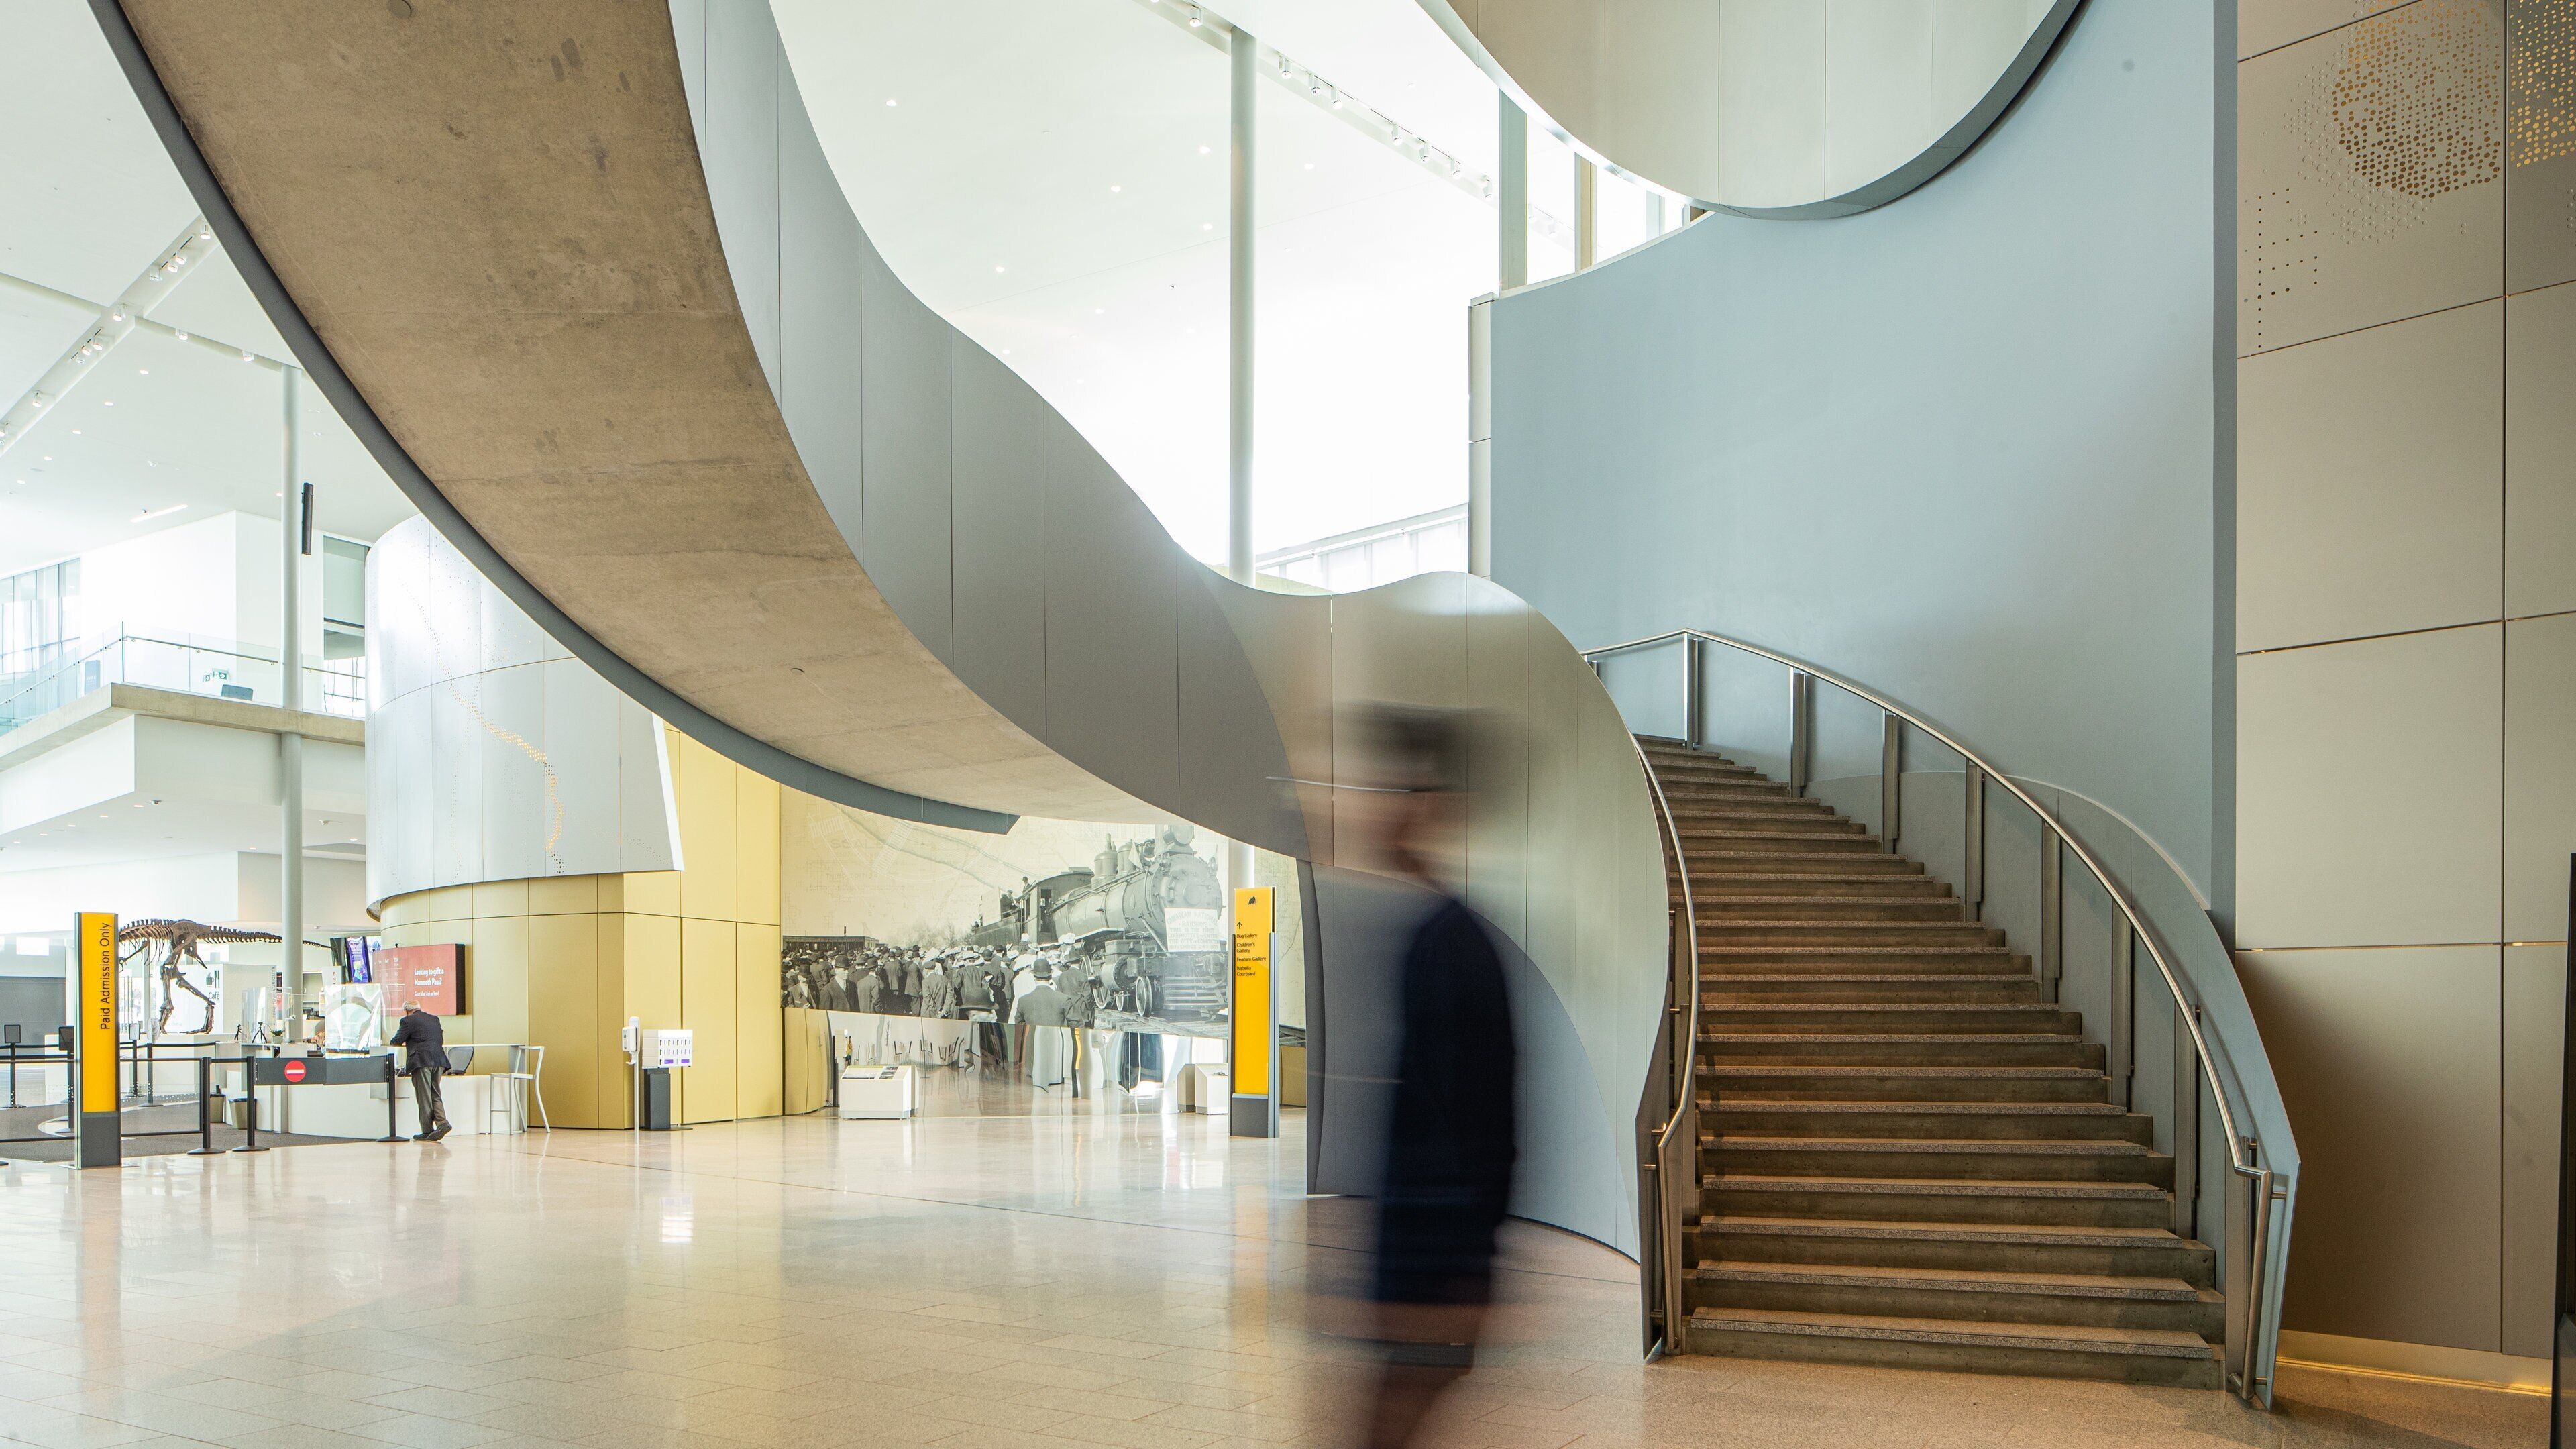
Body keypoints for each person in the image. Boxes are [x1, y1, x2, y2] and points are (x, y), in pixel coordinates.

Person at [1352, 708, 1517, 1449]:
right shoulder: (1433, 935)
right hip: (1425, 1265)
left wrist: (1456, 1273)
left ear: (1431, 805)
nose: (1373, 809)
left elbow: (1479, 1124)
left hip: (1433, 1268)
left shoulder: (1453, 944)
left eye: (1395, 790)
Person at [387, 1000, 453, 1142]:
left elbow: (397, 1041)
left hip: (421, 1061)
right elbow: (439, 1039)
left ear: (406, 1011)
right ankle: (442, 1123)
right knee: (435, 1093)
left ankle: (427, 1130)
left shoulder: (407, 1021)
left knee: (423, 1095)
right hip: (439, 1060)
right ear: (419, 1008)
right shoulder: (434, 1019)